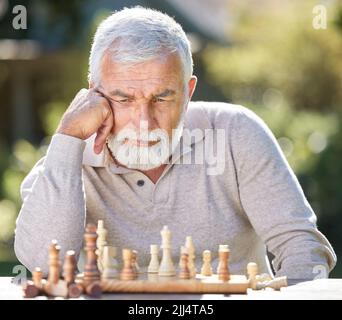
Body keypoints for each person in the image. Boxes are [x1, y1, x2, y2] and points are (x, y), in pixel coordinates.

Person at [14, 7, 336, 279]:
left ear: (188, 92)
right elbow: (43, 265)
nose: (144, 122)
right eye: (123, 98)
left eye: (162, 97)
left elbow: (301, 248)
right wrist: (67, 138)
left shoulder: (238, 133)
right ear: (93, 94)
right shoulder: (65, 160)